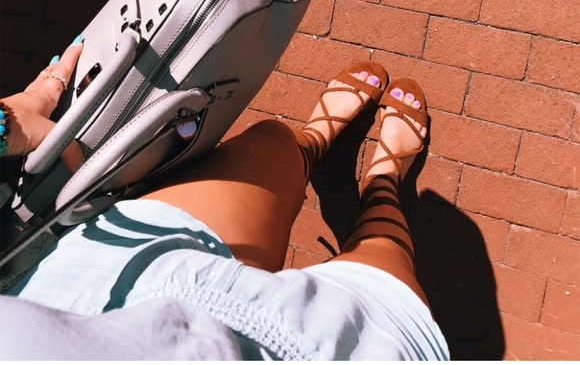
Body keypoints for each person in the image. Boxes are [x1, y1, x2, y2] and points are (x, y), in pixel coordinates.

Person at [0, 39, 449, 360]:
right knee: (383, 258)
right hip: (295, 347)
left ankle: (313, 146)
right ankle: (383, 182)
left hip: (94, 280)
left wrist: (3, 129)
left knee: (272, 143)